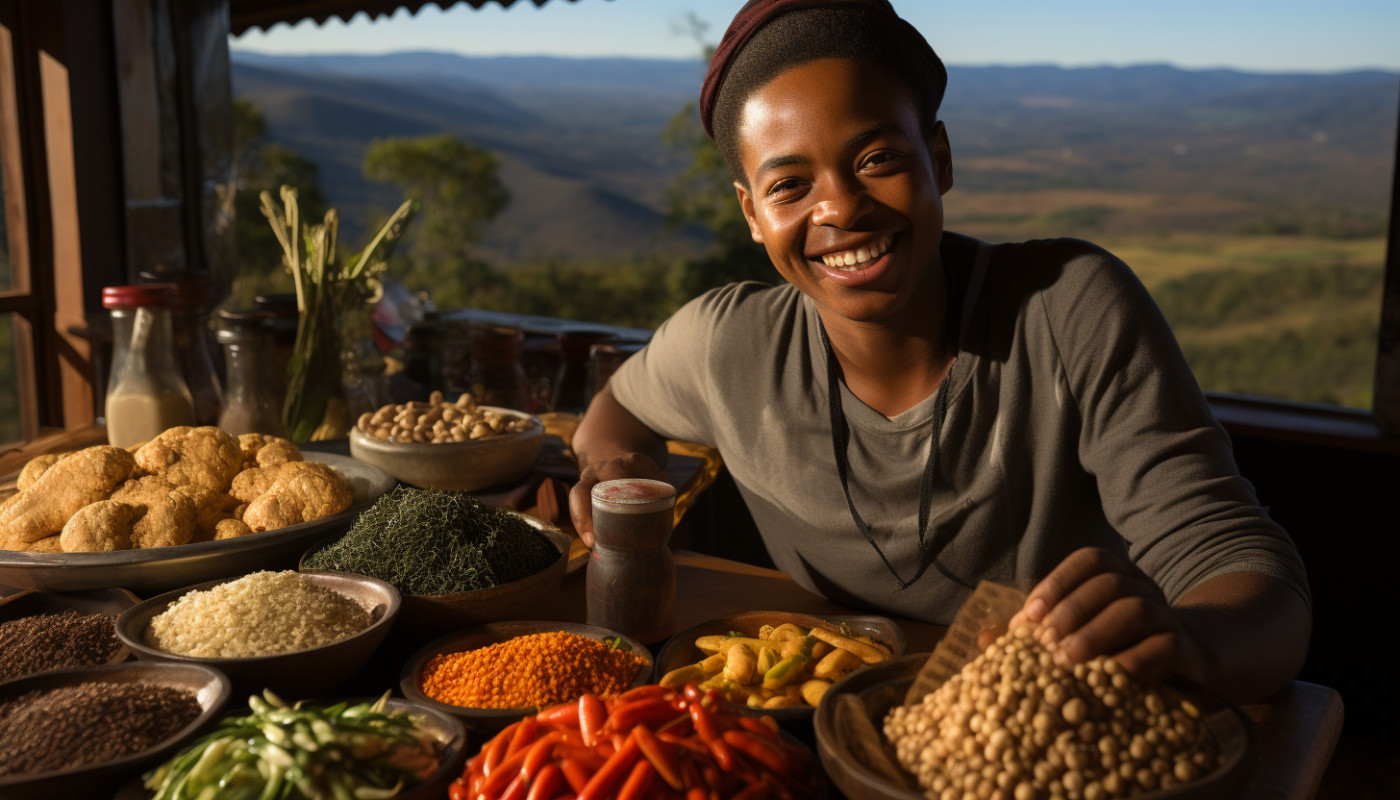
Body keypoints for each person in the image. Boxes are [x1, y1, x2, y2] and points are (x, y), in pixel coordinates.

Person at [567, 0, 1310, 703]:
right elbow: (616, 411)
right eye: (790, 185)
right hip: (827, 727)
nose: (839, 209)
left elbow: (1247, 578)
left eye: (878, 158)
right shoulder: (725, 344)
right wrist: (609, 467)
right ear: (752, 214)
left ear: (940, 158)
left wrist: (1189, 641)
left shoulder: (1069, 308)